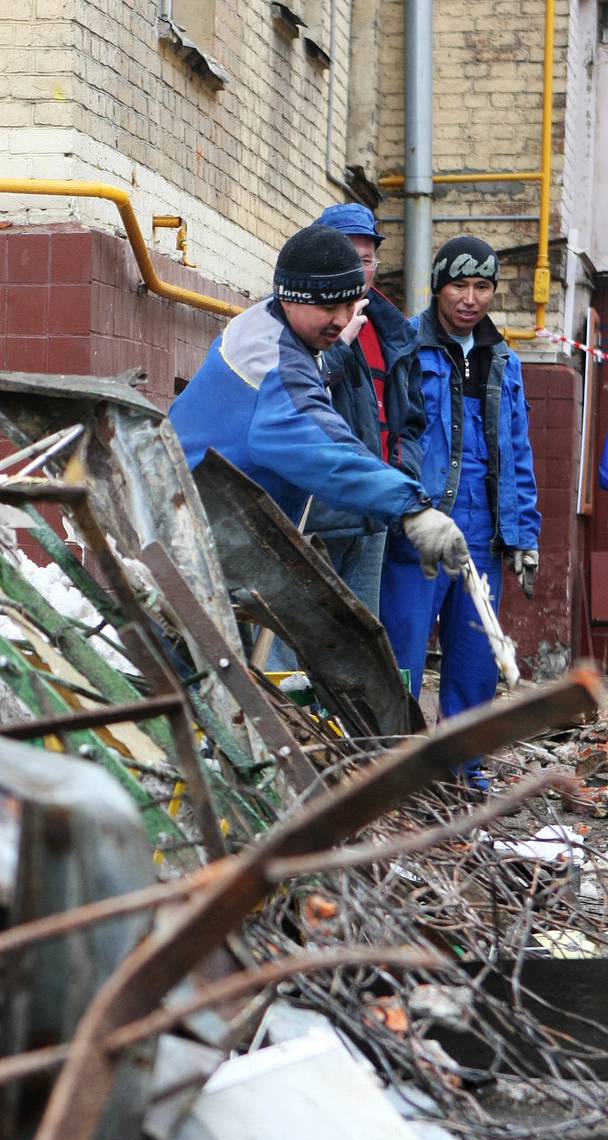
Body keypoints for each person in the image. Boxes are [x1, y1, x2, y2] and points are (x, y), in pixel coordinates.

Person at [168, 224, 468, 614]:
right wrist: (411, 507)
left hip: (206, 533)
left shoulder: (267, 325)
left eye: (351, 304)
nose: (344, 320)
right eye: (329, 307)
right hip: (196, 544)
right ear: (291, 299)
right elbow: (323, 447)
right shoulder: (274, 362)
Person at [380, 236, 541, 790]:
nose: (470, 299)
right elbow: (391, 438)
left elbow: (517, 451)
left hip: (483, 535)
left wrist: (523, 533)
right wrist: (405, 509)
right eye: (459, 285)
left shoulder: (504, 360)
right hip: (421, 531)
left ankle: (463, 776)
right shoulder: (408, 347)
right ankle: (390, 772)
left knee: (475, 663)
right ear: (437, 286)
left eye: (482, 287)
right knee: (399, 652)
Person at [306, 203, 427, 615]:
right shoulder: (298, 317)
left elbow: (410, 421)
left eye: (366, 260)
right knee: (298, 643)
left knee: (360, 635)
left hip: (372, 512)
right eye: (346, 259)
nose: (359, 272)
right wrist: (340, 344)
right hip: (315, 513)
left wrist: (400, 478)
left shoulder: (392, 329)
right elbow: (295, 394)